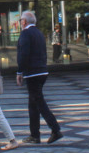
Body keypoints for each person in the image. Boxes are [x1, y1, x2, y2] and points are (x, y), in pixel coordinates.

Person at [16, 11, 63, 144]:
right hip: (42, 71)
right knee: (33, 103)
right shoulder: (39, 33)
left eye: (21, 21)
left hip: (32, 72)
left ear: (24, 22)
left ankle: (55, 129)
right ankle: (34, 135)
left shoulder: (26, 33)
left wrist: (20, 72)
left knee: (39, 101)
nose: (20, 23)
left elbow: (23, 54)